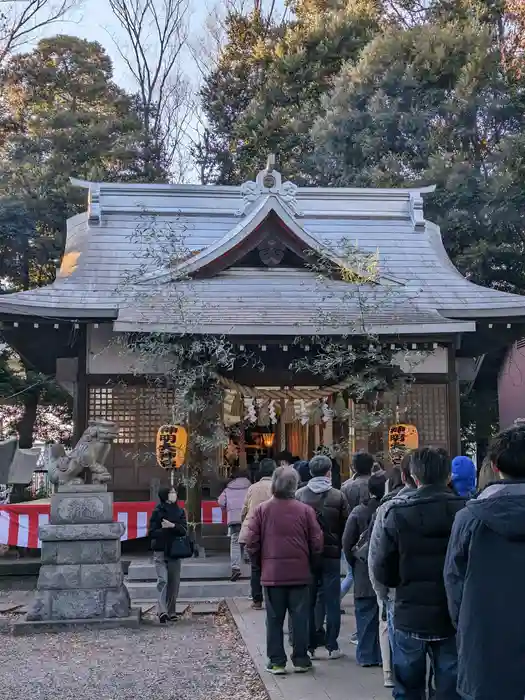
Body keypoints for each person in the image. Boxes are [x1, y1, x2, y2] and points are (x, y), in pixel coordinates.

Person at [372, 448, 465, 699]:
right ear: (448, 476)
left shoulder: (396, 513)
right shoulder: (466, 511)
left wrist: (393, 590)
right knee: (450, 681)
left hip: (408, 610)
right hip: (453, 612)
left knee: (408, 682)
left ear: (413, 475)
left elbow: (383, 568)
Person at [444, 426, 525, 700]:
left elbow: (453, 582)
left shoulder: (469, 519)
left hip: (484, 641)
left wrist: (466, 626)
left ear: (494, 466)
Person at [245, 466, 323, 675]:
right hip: (299, 573)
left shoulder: (262, 510)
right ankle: (300, 659)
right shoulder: (305, 510)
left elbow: (251, 542)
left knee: (274, 619)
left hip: (272, 574)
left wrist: (260, 563)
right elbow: (317, 542)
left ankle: (277, 661)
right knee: (299, 618)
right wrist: (311, 564)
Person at [368, 453, 417, 689]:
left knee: (404, 654)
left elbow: (377, 558)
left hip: (399, 593)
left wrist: (382, 592)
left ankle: (391, 674)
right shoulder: (458, 506)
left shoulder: (389, 508)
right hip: (439, 594)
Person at [296, 454, 349, 659]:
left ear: (310, 472)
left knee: (308, 600)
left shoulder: (300, 495)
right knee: (332, 600)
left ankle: (309, 645)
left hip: (307, 555)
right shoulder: (338, 496)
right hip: (332, 555)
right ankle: (332, 645)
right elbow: (346, 525)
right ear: (329, 472)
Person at [343, 472, 386, 668]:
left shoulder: (359, 511)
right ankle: (385, 656)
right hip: (385, 569)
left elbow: (347, 541)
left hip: (363, 569)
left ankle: (367, 655)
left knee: (365, 612)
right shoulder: (391, 509)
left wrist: (353, 562)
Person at [239, 458, 276, 609]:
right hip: (272, 531)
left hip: (253, 530)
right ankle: (271, 598)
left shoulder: (252, 488)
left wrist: (245, 523)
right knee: (271, 564)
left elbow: (244, 510)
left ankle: (257, 599)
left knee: (255, 567)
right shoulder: (276, 487)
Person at [148, 486, 188, 624]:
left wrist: (173, 526)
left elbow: (184, 530)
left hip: (175, 551)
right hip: (160, 550)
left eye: (174, 492)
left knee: (174, 583)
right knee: (163, 580)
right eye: (171, 492)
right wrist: (163, 530)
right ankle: (162, 611)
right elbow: (151, 532)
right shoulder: (157, 511)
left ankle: (171, 611)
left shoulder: (180, 511)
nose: (173, 494)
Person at [218, 469, 251, 581]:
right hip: (247, 518)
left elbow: (221, 501)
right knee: (248, 538)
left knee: (235, 542)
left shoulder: (228, 489)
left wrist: (227, 510)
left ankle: (235, 568)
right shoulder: (250, 488)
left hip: (234, 519)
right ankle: (248, 558)